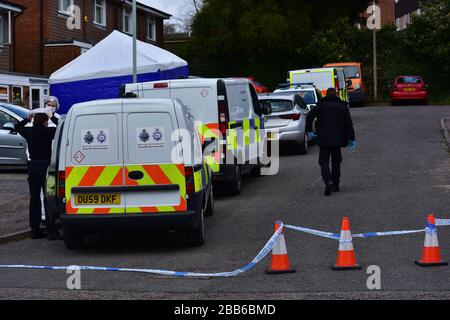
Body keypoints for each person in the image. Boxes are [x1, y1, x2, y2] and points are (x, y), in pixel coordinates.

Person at [15, 98, 61, 240]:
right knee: (47, 198)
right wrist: (51, 115)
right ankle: (51, 230)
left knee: (34, 198)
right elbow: (61, 127)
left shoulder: (29, 132)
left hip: (32, 166)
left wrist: (26, 118)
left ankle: (34, 230)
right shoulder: (48, 132)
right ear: (44, 122)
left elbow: (17, 127)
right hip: (45, 165)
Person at [305, 88, 356, 196]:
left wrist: (310, 130)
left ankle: (328, 180)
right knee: (336, 162)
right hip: (338, 139)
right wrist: (352, 138)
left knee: (323, 161)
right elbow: (348, 124)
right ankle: (335, 185)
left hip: (323, 138)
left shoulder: (320, 106)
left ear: (326, 95)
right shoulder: (342, 107)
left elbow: (309, 116)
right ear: (336, 95)